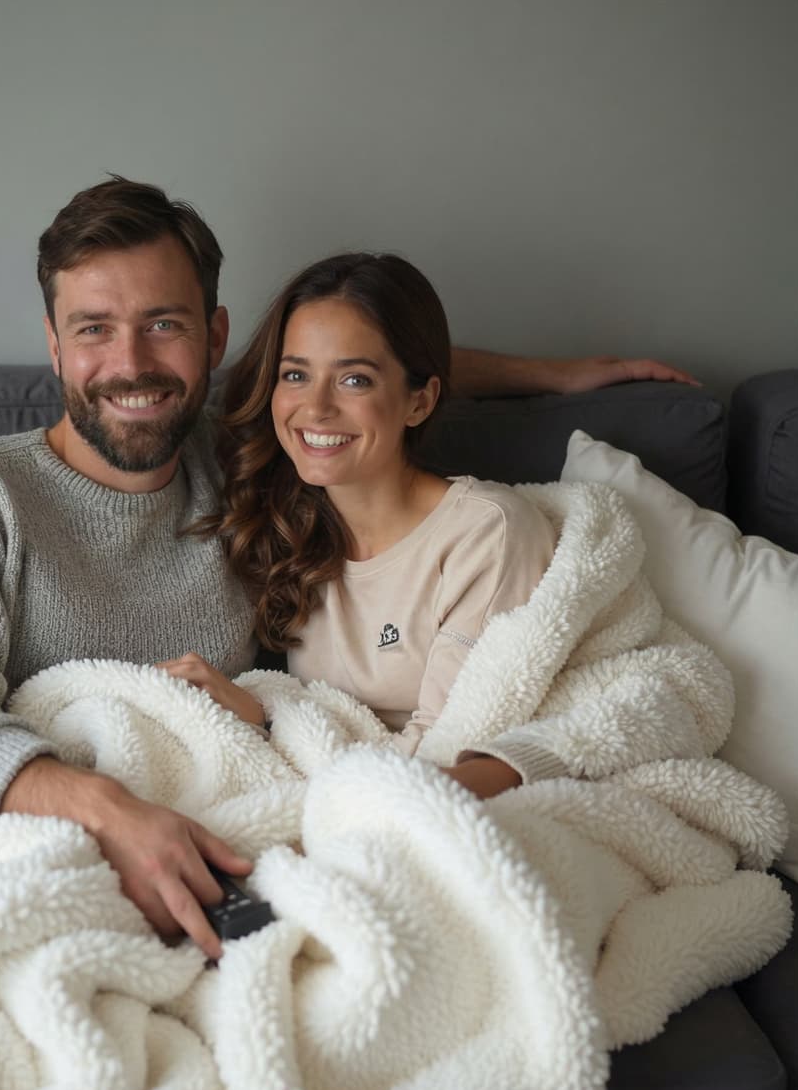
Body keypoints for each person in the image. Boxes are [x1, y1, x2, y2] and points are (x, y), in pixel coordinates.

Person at [0, 177, 697, 959]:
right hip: (57, 844)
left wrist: (557, 378)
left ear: (216, 339)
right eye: (93, 329)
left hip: (243, 833)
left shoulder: (252, 455)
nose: (131, 363)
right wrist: (112, 814)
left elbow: (361, 366)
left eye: (164, 323)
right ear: (52, 344)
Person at [159, 251, 555, 800]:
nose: (315, 408)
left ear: (420, 401)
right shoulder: (291, 524)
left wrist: (268, 717)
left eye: (354, 380)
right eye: (296, 374)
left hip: (429, 802)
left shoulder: (486, 535)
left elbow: (453, 751)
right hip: (330, 788)